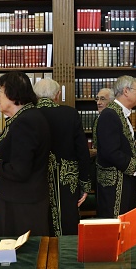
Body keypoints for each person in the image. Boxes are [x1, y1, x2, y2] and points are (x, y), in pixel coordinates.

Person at [0, 71, 51, 236]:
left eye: (1, 92)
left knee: (20, 255)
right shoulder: (25, 117)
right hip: (22, 200)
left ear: (13, 94)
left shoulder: (25, 121)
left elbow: (20, 170)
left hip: (22, 204)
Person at [34, 78, 91, 236]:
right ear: (57, 95)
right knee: (67, 219)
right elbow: (82, 152)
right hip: (66, 178)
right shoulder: (70, 113)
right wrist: (85, 185)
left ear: (36, 95)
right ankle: (67, 255)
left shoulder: (27, 114)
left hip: (36, 178)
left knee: (39, 218)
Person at [95, 76, 136, 218]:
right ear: (126, 91)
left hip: (124, 182)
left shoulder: (121, 113)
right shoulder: (109, 115)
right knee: (114, 227)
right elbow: (110, 152)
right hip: (114, 186)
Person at [90, 88, 114, 157]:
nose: (98, 103)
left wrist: (97, 152)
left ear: (111, 102)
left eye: (102, 99)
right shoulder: (97, 118)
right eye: (97, 99)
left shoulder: (114, 120)